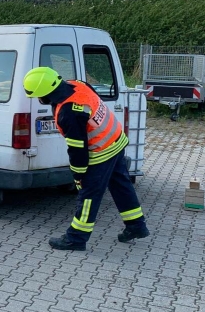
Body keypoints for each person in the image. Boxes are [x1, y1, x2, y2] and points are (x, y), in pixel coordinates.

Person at [23, 67, 150, 251]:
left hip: (101, 152)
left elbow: (78, 149)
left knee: (88, 195)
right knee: (122, 186)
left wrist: (78, 175)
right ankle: (137, 226)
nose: (38, 99)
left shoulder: (69, 112)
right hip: (116, 139)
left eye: (37, 96)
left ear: (45, 94)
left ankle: (76, 238)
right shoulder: (78, 84)